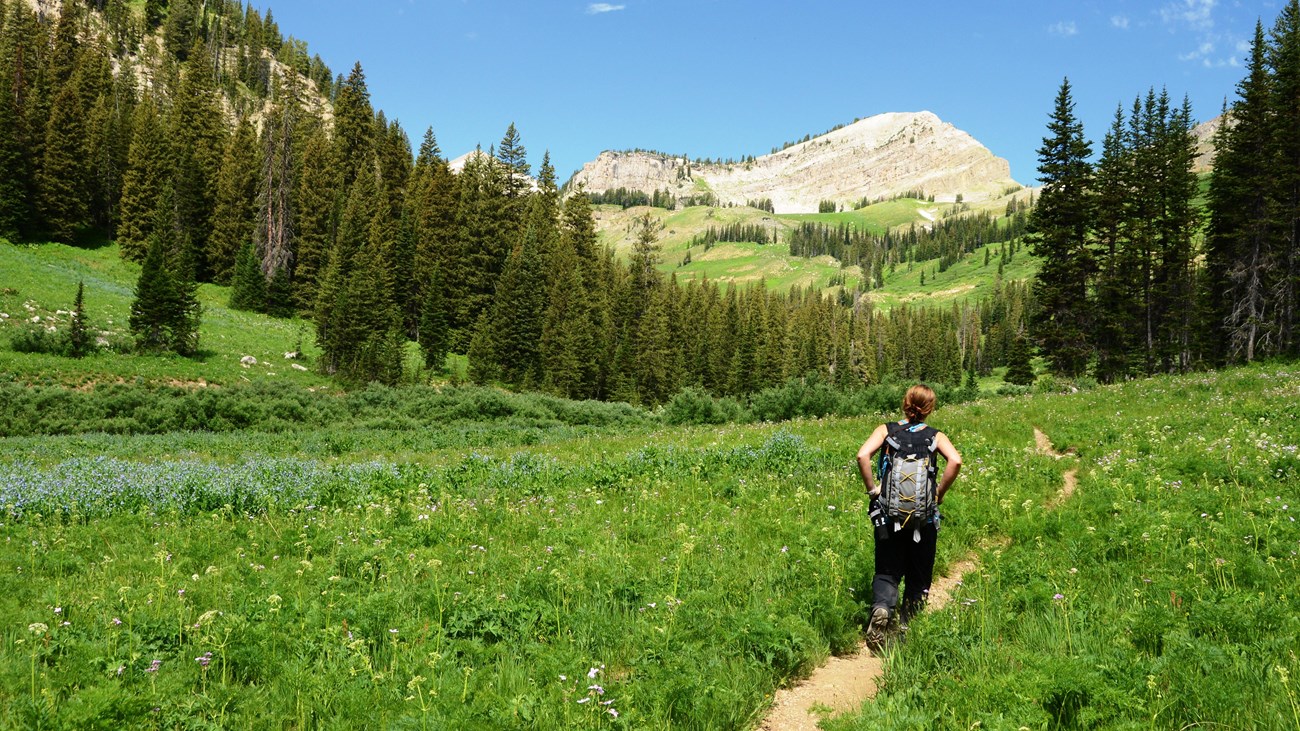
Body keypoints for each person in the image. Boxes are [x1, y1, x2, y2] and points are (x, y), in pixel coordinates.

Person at [856, 384, 961, 646]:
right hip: (923, 519)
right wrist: (939, 493)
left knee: (887, 569)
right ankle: (907, 627)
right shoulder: (935, 436)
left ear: (905, 403)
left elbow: (862, 455)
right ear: (929, 408)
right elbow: (956, 461)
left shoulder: (887, 430)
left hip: (888, 515)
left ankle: (882, 608)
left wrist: (873, 491)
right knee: (919, 572)